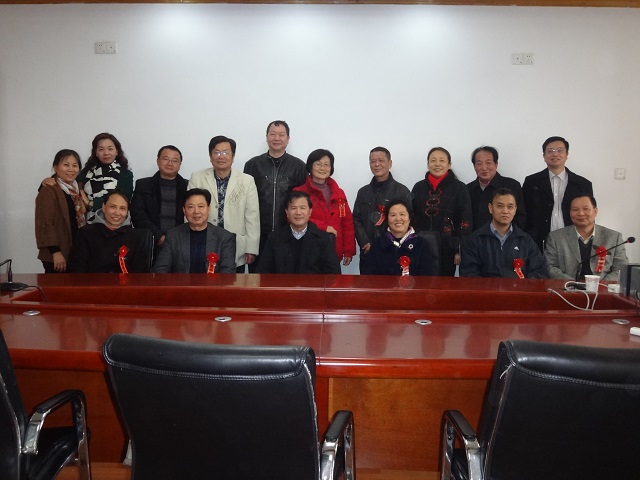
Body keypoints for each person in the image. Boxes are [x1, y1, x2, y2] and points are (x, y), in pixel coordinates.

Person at [188, 135, 260, 272]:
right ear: (210, 156)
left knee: (233, 283)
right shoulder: (197, 178)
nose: (221, 156)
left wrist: (251, 248)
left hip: (235, 244)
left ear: (233, 156)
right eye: (217, 152)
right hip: (202, 241)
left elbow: (252, 216)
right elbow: (189, 211)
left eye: (226, 152)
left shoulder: (247, 181)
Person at [243, 120, 306, 271]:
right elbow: (245, 202)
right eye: (273, 134)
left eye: (281, 135)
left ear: (288, 139)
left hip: (288, 234)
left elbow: (304, 201)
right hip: (258, 235)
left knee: (287, 278)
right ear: (266, 137)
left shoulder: (299, 166)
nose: (277, 138)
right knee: (258, 278)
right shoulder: (252, 165)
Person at [523, 136, 593, 252]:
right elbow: (524, 211)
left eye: (560, 150)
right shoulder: (531, 182)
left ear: (567, 154)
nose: (555, 154)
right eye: (550, 151)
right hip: (538, 240)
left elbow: (588, 215)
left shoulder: (582, 184)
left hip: (572, 239)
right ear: (544, 156)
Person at [411, 147, 472, 276]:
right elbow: (412, 216)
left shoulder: (460, 188)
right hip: (421, 245)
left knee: (445, 284)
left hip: (448, 248)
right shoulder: (418, 187)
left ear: (449, 165)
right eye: (433, 160)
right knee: (421, 282)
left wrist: (459, 250)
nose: (437, 164)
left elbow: (465, 220)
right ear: (428, 164)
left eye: (442, 160)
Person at [460, 188, 547, 278]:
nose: (505, 211)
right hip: (486, 287)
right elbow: (469, 274)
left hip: (518, 287)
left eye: (510, 207)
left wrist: (523, 285)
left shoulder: (525, 240)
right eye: (500, 206)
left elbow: (539, 272)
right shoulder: (475, 240)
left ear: (515, 209)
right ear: (490, 208)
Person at [293, 149, 356, 267]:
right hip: (307, 251)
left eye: (326, 164)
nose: (322, 168)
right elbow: (294, 218)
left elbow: (347, 223)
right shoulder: (299, 192)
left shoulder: (339, 193)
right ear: (310, 167)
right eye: (318, 164)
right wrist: (324, 227)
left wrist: (348, 250)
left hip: (334, 251)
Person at [544, 194, 629, 281]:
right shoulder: (556, 237)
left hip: (602, 287)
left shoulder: (613, 237)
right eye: (575, 210)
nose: (581, 213)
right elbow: (550, 266)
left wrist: (600, 285)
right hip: (567, 287)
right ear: (570, 213)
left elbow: (621, 268)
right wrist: (572, 284)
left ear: (595, 211)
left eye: (586, 209)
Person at [353, 147, 412, 271]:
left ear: (390, 163)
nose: (377, 164)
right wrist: (364, 242)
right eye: (373, 161)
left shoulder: (402, 191)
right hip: (368, 252)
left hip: (394, 252)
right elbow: (356, 219)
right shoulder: (363, 192)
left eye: (381, 160)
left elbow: (409, 222)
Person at [152, 188, 236, 274]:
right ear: (184, 210)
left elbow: (228, 273)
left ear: (209, 209)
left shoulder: (225, 237)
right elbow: (160, 270)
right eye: (191, 207)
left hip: (213, 283)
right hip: (181, 283)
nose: (196, 211)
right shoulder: (173, 236)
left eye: (201, 206)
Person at [257, 191, 341, 274]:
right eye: (293, 208)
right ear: (287, 212)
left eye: (302, 208)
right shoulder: (274, 238)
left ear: (310, 212)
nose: (298, 212)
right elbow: (263, 271)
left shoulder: (323, 239)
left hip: (312, 283)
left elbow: (333, 273)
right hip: (283, 283)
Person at [35, 149, 90, 273]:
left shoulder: (78, 189)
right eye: (66, 165)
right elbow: (45, 223)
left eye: (75, 165)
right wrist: (55, 252)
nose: (71, 169)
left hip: (77, 253)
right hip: (58, 255)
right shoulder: (48, 190)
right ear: (55, 167)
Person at [67, 189, 149, 273]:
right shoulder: (86, 233)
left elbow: (140, 273)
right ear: (104, 207)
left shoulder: (135, 237)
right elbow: (76, 268)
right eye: (112, 207)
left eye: (122, 208)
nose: (117, 213)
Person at [130, 145, 188, 257]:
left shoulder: (188, 186)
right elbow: (138, 215)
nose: (170, 163)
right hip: (151, 244)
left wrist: (177, 239)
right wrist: (158, 237)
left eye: (174, 160)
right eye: (166, 159)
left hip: (181, 244)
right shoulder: (143, 185)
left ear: (180, 164)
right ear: (158, 161)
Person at [361, 199, 433, 276]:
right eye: (393, 215)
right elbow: (369, 277)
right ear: (387, 219)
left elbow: (427, 278)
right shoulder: (377, 244)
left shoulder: (421, 244)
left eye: (402, 214)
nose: (398, 219)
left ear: (409, 218)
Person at [467, 145, 525, 230]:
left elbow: (520, 217)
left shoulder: (512, 185)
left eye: (488, 162)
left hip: (505, 237)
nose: (484, 168)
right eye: (479, 163)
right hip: (475, 237)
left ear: (496, 164)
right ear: (474, 166)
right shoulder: (467, 189)